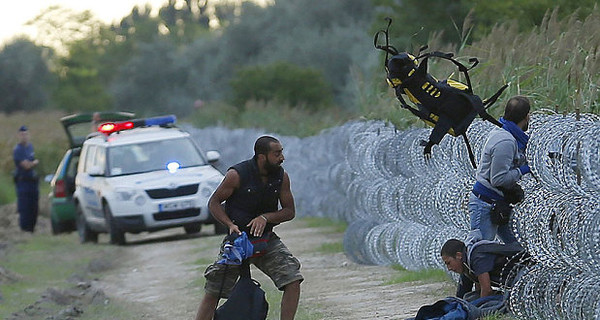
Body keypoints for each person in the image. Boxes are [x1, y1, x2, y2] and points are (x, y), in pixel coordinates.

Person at [195, 136, 303, 320]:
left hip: (266, 240)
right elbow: (214, 202)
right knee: (214, 289)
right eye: (277, 153)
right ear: (262, 157)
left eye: (281, 152)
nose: (282, 157)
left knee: (293, 279)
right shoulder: (236, 175)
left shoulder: (281, 177)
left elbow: (289, 211)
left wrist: (265, 217)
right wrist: (229, 224)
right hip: (238, 242)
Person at [469, 95, 532, 244]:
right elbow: (498, 179)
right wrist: (524, 170)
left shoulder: (510, 136)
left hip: (497, 203)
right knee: (481, 251)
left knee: (517, 249)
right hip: (485, 204)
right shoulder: (506, 141)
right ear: (527, 116)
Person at [441, 238, 524, 299]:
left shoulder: (476, 256)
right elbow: (465, 293)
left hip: (523, 272)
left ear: (459, 255)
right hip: (514, 280)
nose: (449, 268)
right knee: (469, 298)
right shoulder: (467, 263)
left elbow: (487, 290)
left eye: (449, 263)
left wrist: (478, 310)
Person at [12, 125, 40, 232]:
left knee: (33, 206)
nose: (24, 137)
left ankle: (32, 228)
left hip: (32, 181)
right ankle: (25, 230)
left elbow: (30, 163)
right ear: (19, 136)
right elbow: (26, 165)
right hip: (23, 182)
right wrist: (34, 163)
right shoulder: (18, 150)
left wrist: (32, 163)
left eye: (26, 134)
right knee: (24, 207)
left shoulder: (30, 147)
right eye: (22, 135)